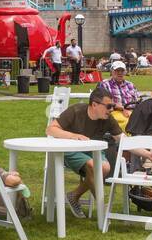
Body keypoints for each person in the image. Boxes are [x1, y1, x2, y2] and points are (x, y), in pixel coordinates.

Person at [46, 87, 125, 218]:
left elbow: (123, 140)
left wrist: (147, 153)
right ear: (94, 104)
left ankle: (74, 195)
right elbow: (51, 129)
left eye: (113, 106)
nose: (111, 109)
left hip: (92, 151)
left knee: (104, 168)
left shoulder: (107, 118)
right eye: (109, 106)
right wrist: (73, 136)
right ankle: (102, 210)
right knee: (94, 166)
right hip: (70, 150)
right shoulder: (76, 110)